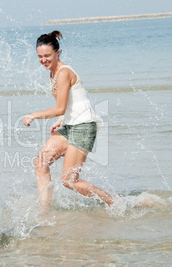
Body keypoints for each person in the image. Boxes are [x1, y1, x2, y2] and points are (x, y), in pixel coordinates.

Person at [22, 31, 119, 212]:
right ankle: (44, 210)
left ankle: (114, 202)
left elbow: (59, 107)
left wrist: (34, 115)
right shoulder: (53, 72)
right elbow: (72, 102)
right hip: (70, 125)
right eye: (40, 56)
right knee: (40, 163)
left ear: (57, 53)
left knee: (69, 181)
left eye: (47, 56)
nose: (43, 60)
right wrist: (61, 119)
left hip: (83, 127)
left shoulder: (63, 72)